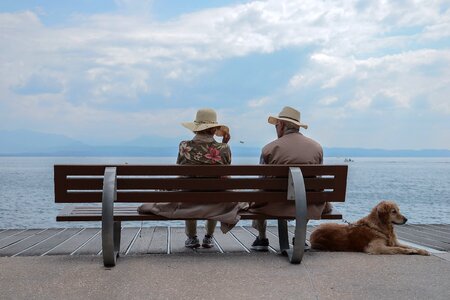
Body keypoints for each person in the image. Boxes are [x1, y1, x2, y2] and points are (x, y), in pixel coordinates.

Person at [138, 108, 240, 249]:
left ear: (196, 128)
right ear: (213, 129)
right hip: (215, 201)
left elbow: (182, 171)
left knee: (188, 191)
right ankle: (209, 237)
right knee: (217, 194)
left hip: (188, 200)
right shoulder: (224, 148)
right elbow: (225, 172)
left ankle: (192, 237)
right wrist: (224, 143)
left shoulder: (184, 146)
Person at [249, 106, 328, 251]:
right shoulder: (317, 148)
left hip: (273, 204)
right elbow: (319, 181)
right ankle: (300, 236)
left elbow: (261, 181)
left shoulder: (269, 149)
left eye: (276, 125)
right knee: (311, 195)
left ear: (283, 125)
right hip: (307, 204)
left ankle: (261, 238)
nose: (276, 128)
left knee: (258, 193)